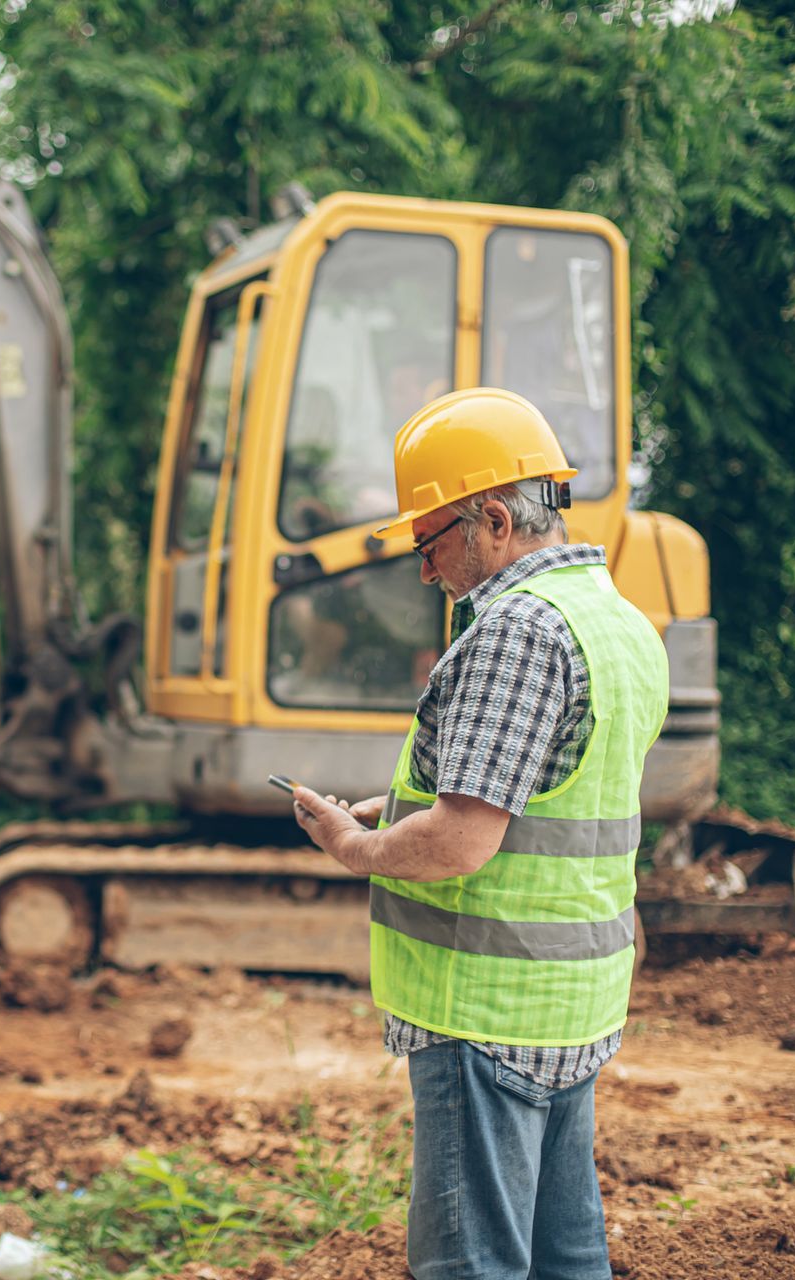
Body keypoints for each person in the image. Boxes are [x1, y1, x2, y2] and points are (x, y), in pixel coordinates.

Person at [289, 386, 668, 1280]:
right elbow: (555, 794)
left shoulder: (516, 633)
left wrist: (355, 847)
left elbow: (461, 845)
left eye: (431, 542)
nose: (425, 570)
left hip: (485, 1009)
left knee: (474, 1264)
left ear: (493, 520)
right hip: (570, 1003)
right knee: (563, 1256)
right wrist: (404, 812)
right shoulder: (614, 619)